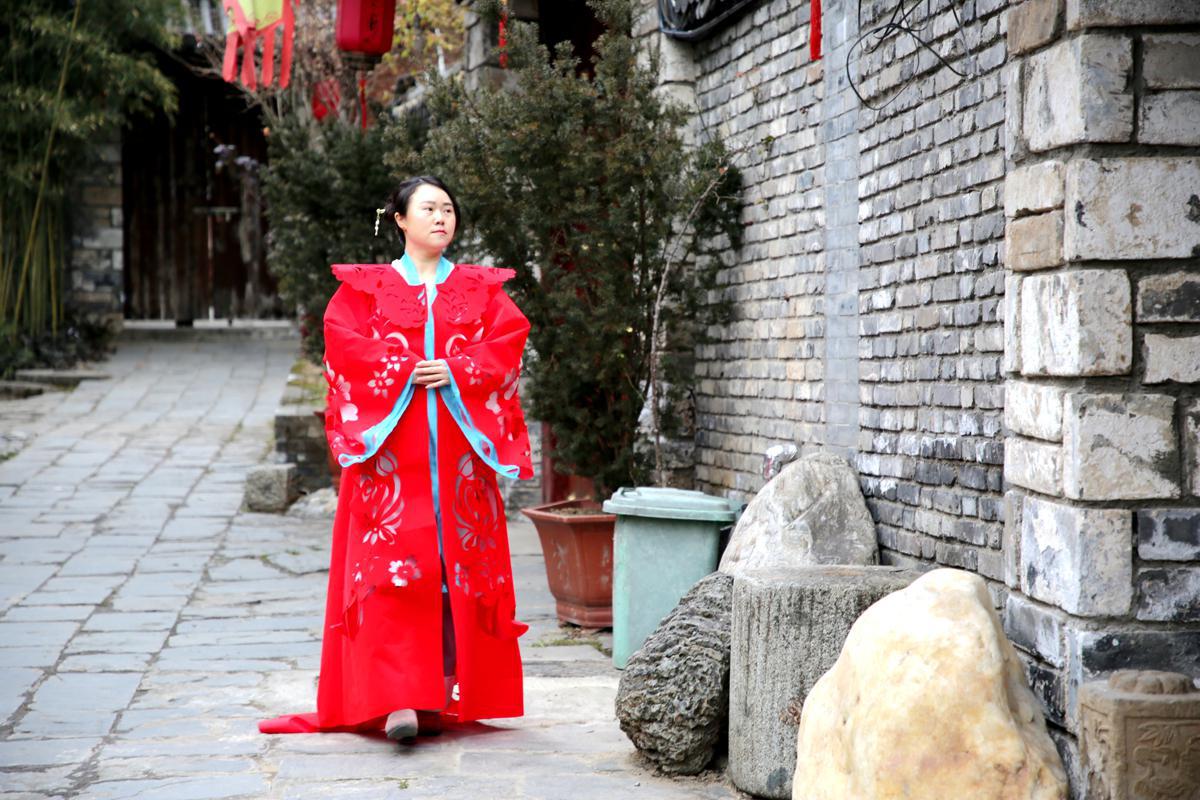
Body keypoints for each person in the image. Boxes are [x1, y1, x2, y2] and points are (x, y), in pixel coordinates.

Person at [258, 176, 534, 742]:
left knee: (452, 575)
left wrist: (456, 370)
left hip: (457, 461)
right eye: (428, 208)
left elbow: (507, 347)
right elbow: (342, 346)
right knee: (391, 573)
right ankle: (397, 701)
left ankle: (444, 692)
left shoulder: (481, 290)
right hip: (391, 460)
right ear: (400, 219)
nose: (441, 217)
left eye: (448, 209)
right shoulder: (365, 289)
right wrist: (403, 368)